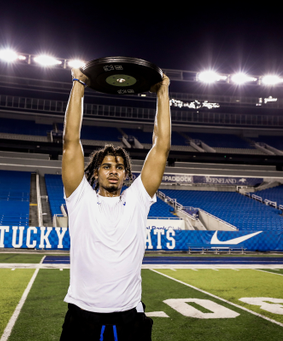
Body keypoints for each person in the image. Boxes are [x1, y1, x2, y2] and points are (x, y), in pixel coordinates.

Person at [60, 67, 171, 341]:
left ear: (126, 174)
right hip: (83, 315)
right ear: (95, 172)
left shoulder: (137, 199)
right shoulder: (80, 198)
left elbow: (161, 147)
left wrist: (163, 92)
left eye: (119, 167)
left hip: (129, 316)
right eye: (106, 165)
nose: (113, 170)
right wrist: (78, 85)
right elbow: (70, 142)